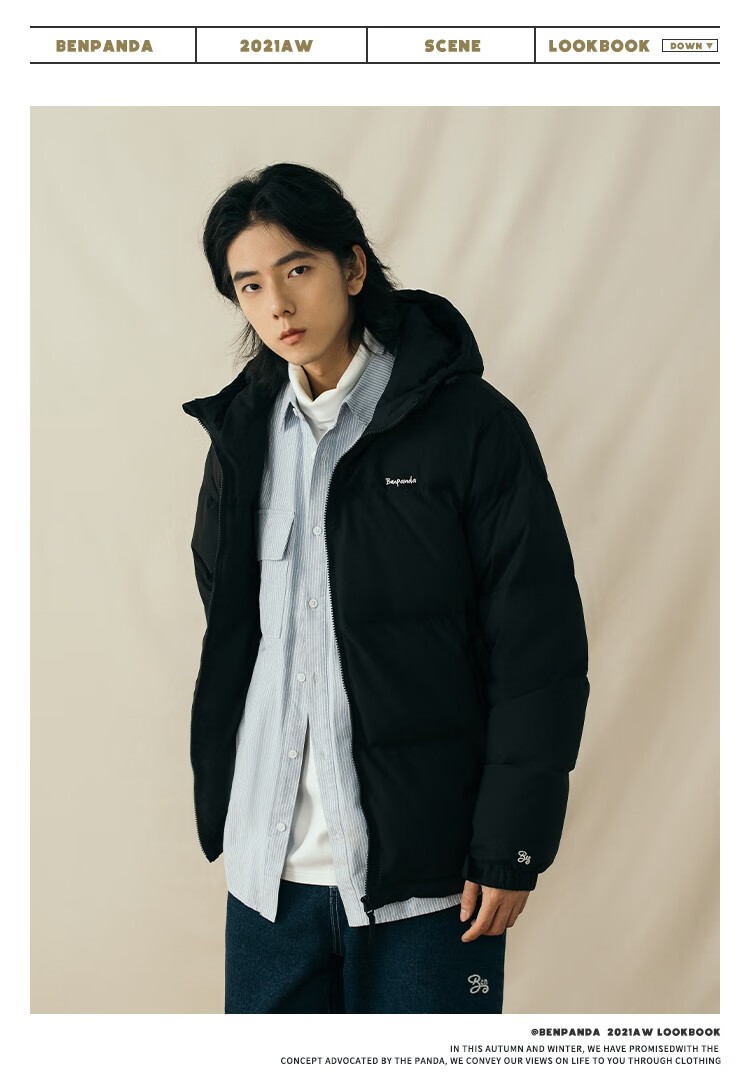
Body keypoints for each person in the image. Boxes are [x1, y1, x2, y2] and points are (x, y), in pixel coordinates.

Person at [181, 162, 590, 1014]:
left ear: (353, 267)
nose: (277, 305)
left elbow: (539, 650)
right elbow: (235, 623)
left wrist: (511, 846)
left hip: (429, 885)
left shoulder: (472, 428)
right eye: (250, 286)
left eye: (297, 269)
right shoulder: (243, 439)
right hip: (268, 880)